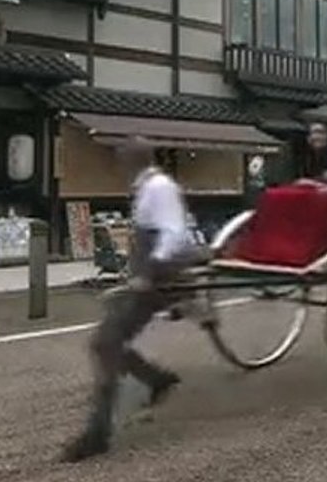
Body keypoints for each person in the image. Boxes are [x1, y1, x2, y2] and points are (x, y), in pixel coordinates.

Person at [63, 137, 209, 461]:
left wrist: (150, 271)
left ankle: (98, 433)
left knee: (105, 342)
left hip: (163, 276)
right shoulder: (146, 187)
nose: (120, 164)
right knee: (108, 342)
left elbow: (173, 233)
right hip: (152, 276)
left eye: (124, 158)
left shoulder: (159, 187)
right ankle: (156, 379)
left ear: (135, 159)